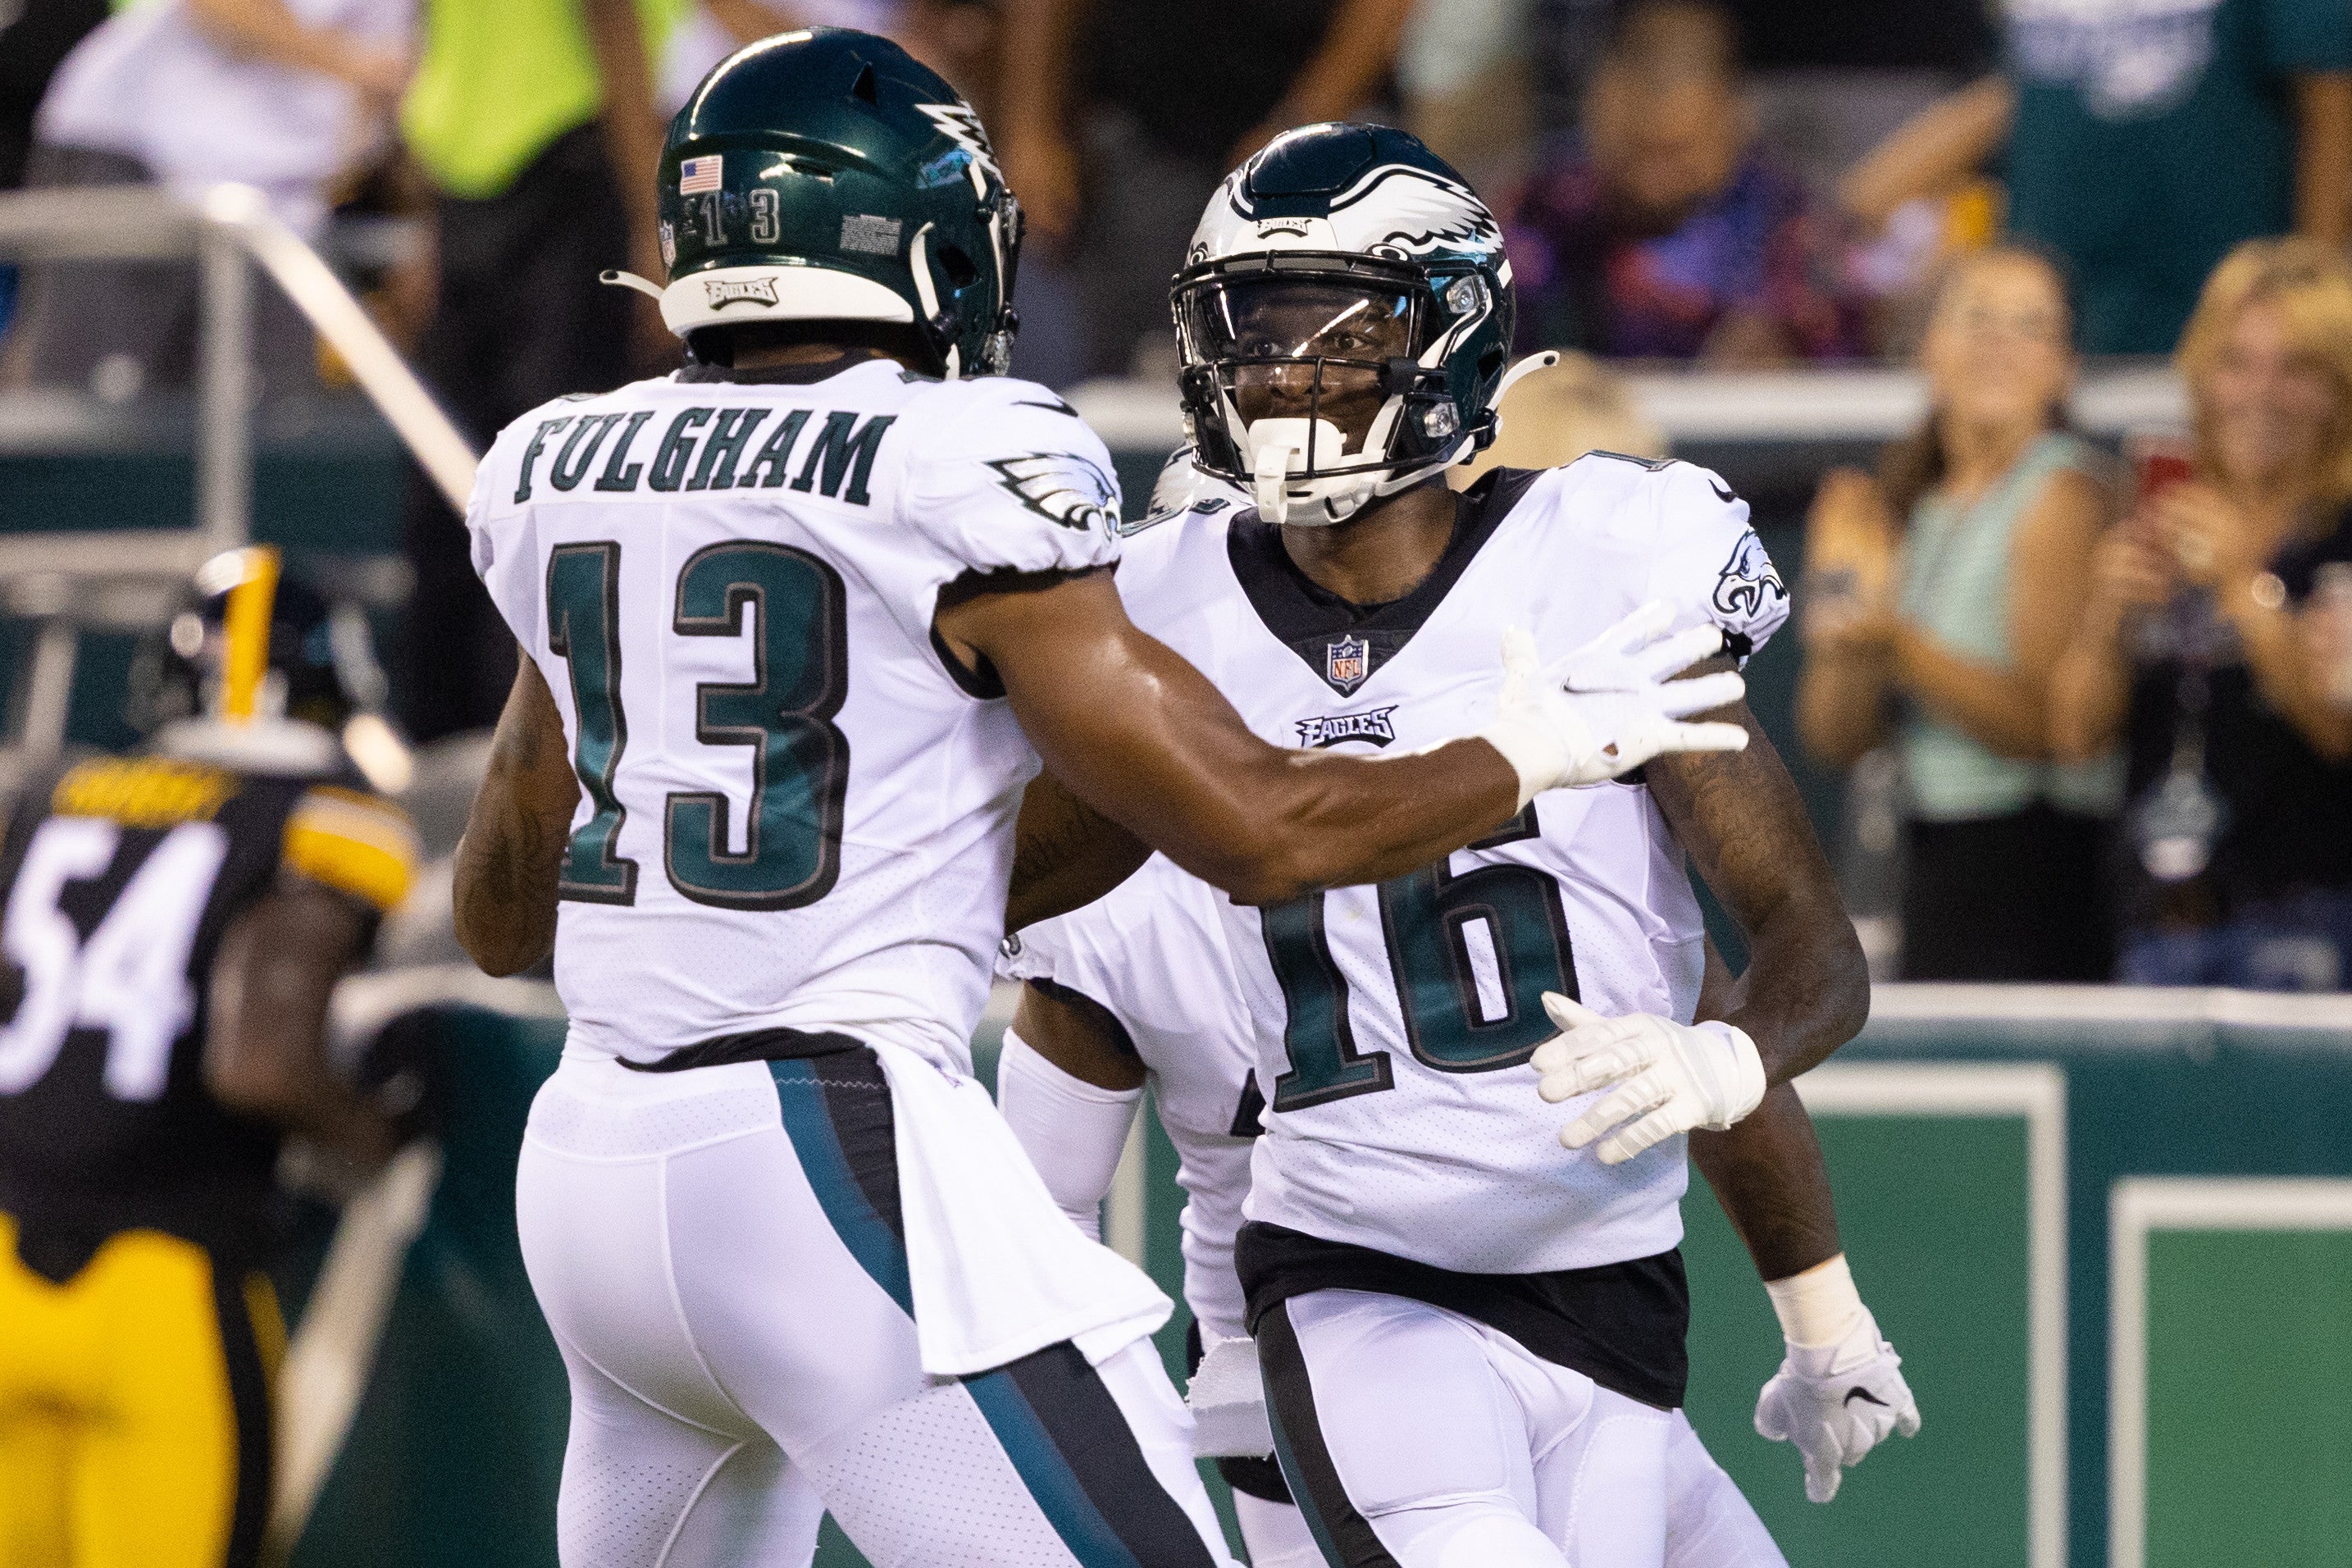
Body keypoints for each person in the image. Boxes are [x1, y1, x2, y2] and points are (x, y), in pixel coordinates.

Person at [449, 34, 1747, 1568]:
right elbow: (1256, 835)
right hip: (824, 1152)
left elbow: (497, 912)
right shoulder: (958, 455)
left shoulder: (559, 466)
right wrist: (1520, 756)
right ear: (912, 235)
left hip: (590, 1173)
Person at [1001, 120, 1880, 1567]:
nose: (1285, 375)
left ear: (1456, 336)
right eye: (1254, 333)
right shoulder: (1155, 606)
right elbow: (1004, 896)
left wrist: (1729, 1080)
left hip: (1614, 1302)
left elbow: (1804, 940)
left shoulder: (1612, 555)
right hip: (1354, 1286)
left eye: (1337, 335)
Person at [998, 851, 1917, 1566]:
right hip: (1333, 1360)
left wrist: (1826, 1321)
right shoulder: (1125, 903)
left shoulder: (1503, 771)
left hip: (1576, 1330)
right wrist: (1128, 1466)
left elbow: (1705, 1044)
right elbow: (1039, 1227)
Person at [0, 547, 421, 1568]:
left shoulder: (51, 794)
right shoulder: (331, 814)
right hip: (165, 1288)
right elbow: (262, 1062)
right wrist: (379, 1134)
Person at [1794, 246, 2119, 982]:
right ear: (1929, 350)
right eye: (1976, 318)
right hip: (1930, 866)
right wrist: (1844, 602)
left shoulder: (2064, 494)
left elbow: (2050, 728)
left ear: (2063, 367)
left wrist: (1897, 644)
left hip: (2036, 875)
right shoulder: (1914, 510)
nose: (1997, 342)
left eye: (2028, 325)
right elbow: (1835, 737)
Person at [2051, 238, 2352, 990]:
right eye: (2236, 363)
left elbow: (2336, 728)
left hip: (2309, 920)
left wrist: (2245, 588)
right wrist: (2104, 616)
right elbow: (2076, 736)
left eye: (2297, 371)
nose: (2259, 394)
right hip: (2155, 923)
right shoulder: (2162, 514)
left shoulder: (2341, 535)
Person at [393, 0, 677, 744]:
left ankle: (470, 753)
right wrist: (651, 221)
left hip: (484, 177)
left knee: (477, 491)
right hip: (566, 169)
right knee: (547, 491)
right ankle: (528, 755)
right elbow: (611, 16)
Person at [1841, 4, 2352, 357]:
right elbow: (2041, 88)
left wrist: (2310, 295)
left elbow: (2332, 104)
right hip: (2052, 343)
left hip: (2222, 333)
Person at [1, 0, 411, 400]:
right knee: (83, 411)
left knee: (267, 420)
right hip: (135, 148)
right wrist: (354, 66)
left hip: (278, 199)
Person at [994, 0, 1417, 383]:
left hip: (1319, 131)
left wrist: (1302, 124)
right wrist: (1030, 128)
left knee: (1320, 373)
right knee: (1135, 386)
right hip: (1142, 129)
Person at [1503, 0, 1867, 365]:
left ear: (1736, 113)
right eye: (1641, 66)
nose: (1658, 114)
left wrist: (1786, 365)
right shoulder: (1538, 213)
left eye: (1677, 152)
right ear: (1599, 96)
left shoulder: (1796, 234)